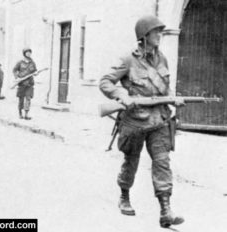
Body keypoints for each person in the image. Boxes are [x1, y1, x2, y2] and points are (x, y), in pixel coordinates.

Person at [99, 15, 184, 228]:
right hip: (135, 122)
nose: (160, 35)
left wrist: (174, 97)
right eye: (156, 32)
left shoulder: (162, 59)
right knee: (131, 161)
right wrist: (122, 95)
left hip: (159, 121)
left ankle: (166, 210)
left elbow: (165, 88)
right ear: (144, 36)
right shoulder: (128, 59)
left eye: (161, 32)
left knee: (162, 162)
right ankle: (124, 196)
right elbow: (105, 82)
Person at [13, 48, 37, 120]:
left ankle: (26, 114)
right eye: (27, 52)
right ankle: (20, 113)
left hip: (30, 83)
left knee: (28, 98)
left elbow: (35, 71)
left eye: (30, 52)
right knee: (21, 99)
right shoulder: (20, 62)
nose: (29, 54)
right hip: (21, 83)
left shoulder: (32, 62)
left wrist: (35, 73)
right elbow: (14, 70)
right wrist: (16, 78)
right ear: (24, 53)